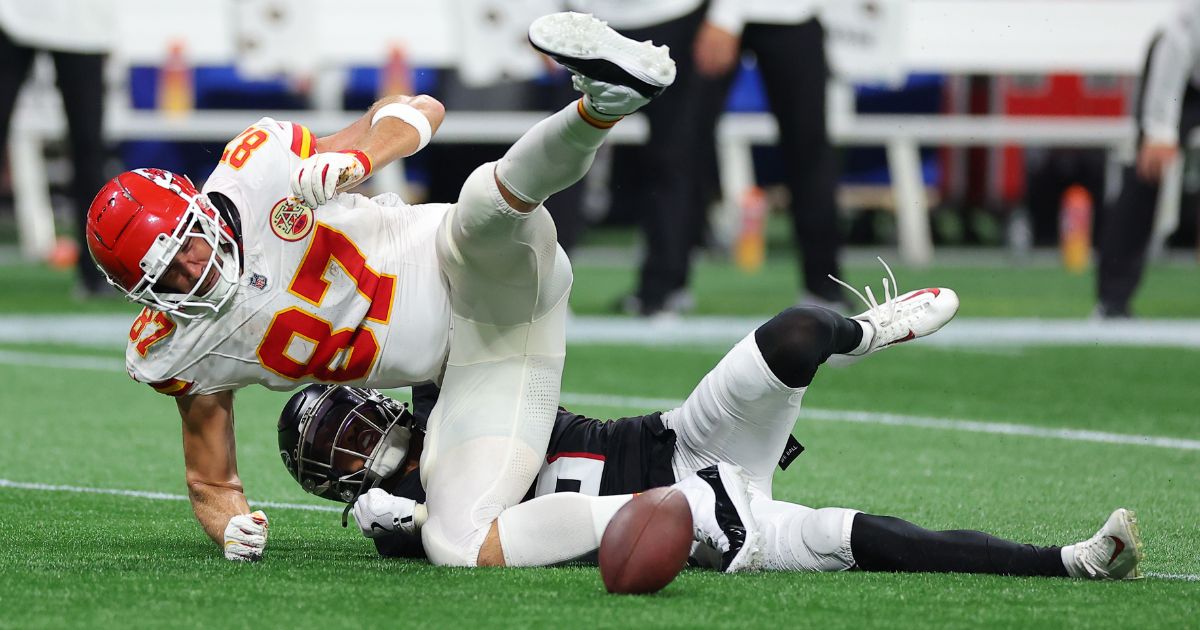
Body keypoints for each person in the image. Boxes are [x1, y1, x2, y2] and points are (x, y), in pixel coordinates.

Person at [85, 13, 764, 570]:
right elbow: (211, 482)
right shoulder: (177, 347)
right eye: (165, 279)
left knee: (482, 206)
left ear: (196, 209)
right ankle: (702, 506)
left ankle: (602, 103)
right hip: (484, 362)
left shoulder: (257, 172)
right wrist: (229, 527)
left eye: (187, 248)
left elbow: (418, 110)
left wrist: (356, 158)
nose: (190, 274)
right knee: (456, 543)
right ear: (139, 294)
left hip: (471, 264)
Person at [279, 285, 1142, 580]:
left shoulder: (442, 402)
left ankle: (872, 330)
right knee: (861, 539)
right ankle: (1069, 561)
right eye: (338, 455)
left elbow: (425, 326)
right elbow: (401, 531)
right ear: (336, 484)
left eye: (350, 422)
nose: (361, 443)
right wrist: (376, 509)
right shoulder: (407, 513)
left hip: (675, 442)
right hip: (695, 526)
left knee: (800, 333)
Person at [691, 0, 848, 309]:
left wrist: (726, 15)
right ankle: (661, 286)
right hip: (710, 15)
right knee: (683, 144)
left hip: (788, 12)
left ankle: (825, 287)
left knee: (808, 150)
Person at [1096, 0, 1200, 318]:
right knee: (1147, 172)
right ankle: (1112, 301)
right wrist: (1159, 129)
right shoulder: (1188, 20)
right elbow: (1175, 47)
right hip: (1178, 78)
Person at [0, 0, 111, 296]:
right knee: (88, 149)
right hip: (14, 14)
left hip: (84, 22)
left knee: (88, 147)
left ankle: (95, 271)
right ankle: (94, 275)